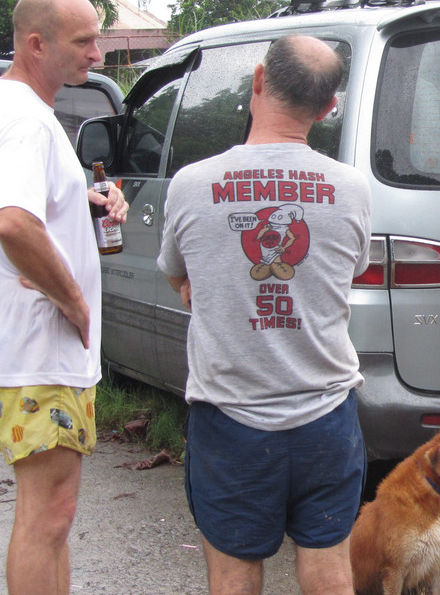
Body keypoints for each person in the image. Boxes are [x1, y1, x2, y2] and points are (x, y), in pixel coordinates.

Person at [156, 35, 370, 595]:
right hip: (326, 415)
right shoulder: (352, 188)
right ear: (328, 107)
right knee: (330, 568)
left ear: (257, 80)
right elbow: (343, 275)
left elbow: (178, 274)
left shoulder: (191, 183)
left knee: (233, 574)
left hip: (230, 416)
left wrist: (209, 292)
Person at [0, 0, 129, 593]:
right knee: (49, 516)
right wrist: (73, 299)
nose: (98, 54)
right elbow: (12, 221)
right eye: (84, 41)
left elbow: (24, 208)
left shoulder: (5, 106)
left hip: (23, 349)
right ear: (36, 44)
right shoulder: (25, 120)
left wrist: (85, 200)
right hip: (38, 351)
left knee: (52, 517)